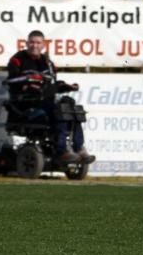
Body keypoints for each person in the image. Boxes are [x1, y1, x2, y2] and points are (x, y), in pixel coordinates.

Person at [6, 30, 92, 165]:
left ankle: (79, 147)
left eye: (38, 43)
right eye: (32, 42)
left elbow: (52, 85)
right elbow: (12, 80)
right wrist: (29, 82)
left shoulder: (48, 63)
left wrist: (67, 86)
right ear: (27, 43)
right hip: (27, 104)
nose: (34, 45)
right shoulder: (18, 59)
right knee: (59, 110)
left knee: (72, 107)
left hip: (46, 101)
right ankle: (61, 151)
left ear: (43, 45)